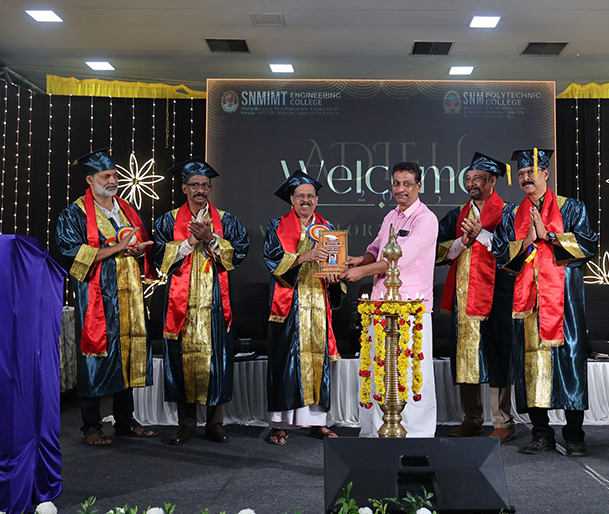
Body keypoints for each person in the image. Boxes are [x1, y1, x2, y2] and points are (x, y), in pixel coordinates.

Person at [493, 148, 597, 456]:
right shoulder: (512, 215)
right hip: (527, 304)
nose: (526, 177)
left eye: (531, 172)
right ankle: (541, 433)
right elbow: (500, 253)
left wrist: (549, 235)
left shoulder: (571, 208)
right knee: (530, 365)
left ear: (545, 174)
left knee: (570, 364)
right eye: (521, 173)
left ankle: (574, 435)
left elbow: (588, 244)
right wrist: (526, 241)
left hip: (564, 303)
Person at [56, 148, 157, 446]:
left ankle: (125, 421)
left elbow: (136, 245)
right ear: (90, 180)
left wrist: (137, 250)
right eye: (105, 176)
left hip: (129, 294)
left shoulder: (126, 209)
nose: (112, 181)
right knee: (94, 356)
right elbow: (72, 252)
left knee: (127, 352)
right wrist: (118, 248)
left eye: (114, 175)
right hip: (97, 297)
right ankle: (90, 425)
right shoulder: (75, 213)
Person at [154, 157, 249, 445]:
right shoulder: (169, 220)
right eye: (194, 185)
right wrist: (189, 242)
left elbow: (239, 252)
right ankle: (186, 423)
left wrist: (211, 239)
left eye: (205, 185)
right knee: (182, 360)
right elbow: (159, 256)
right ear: (184, 188)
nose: (200, 190)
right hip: (181, 303)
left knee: (216, 360)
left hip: (215, 303)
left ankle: (215, 423)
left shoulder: (226, 220)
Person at [343, 161, 439, 438]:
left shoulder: (426, 219)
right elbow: (377, 248)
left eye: (407, 184)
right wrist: (359, 260)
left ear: (419, 186)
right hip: (381, 305)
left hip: (411, 309)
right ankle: (377, 431)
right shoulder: (391, 216)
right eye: (396, 183)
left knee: (410, 372)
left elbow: (398, 260)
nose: (401, 189)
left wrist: (361, 272)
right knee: (380, 368)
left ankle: (416, 434)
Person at [437, 152, 517, 440]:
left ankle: (503, 422)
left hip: (499, 294)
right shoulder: (457, 215)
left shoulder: (509, 213)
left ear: (493, 181)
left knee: (497, 354)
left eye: (478, 179)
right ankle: (471, 418)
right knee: (466, 356)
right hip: (463, 296)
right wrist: (463, 241)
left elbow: (516, 251)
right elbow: (437, 251)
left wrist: (482, 233)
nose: (471, 183)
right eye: (468, 179)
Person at [264, 170, 344, 445]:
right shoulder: (276, 225)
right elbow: (272, 260)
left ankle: (318, 423)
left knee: (318, 360)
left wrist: (335, 278)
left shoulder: (328, 228)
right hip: (288, 304)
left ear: (317, 200)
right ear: (291, 199)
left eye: (310, 196)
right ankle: (281, 424)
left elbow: (336, 265)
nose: (306, 200)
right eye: (300, 196)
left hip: (318, 303)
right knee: (285, 362)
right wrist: (303, 256)